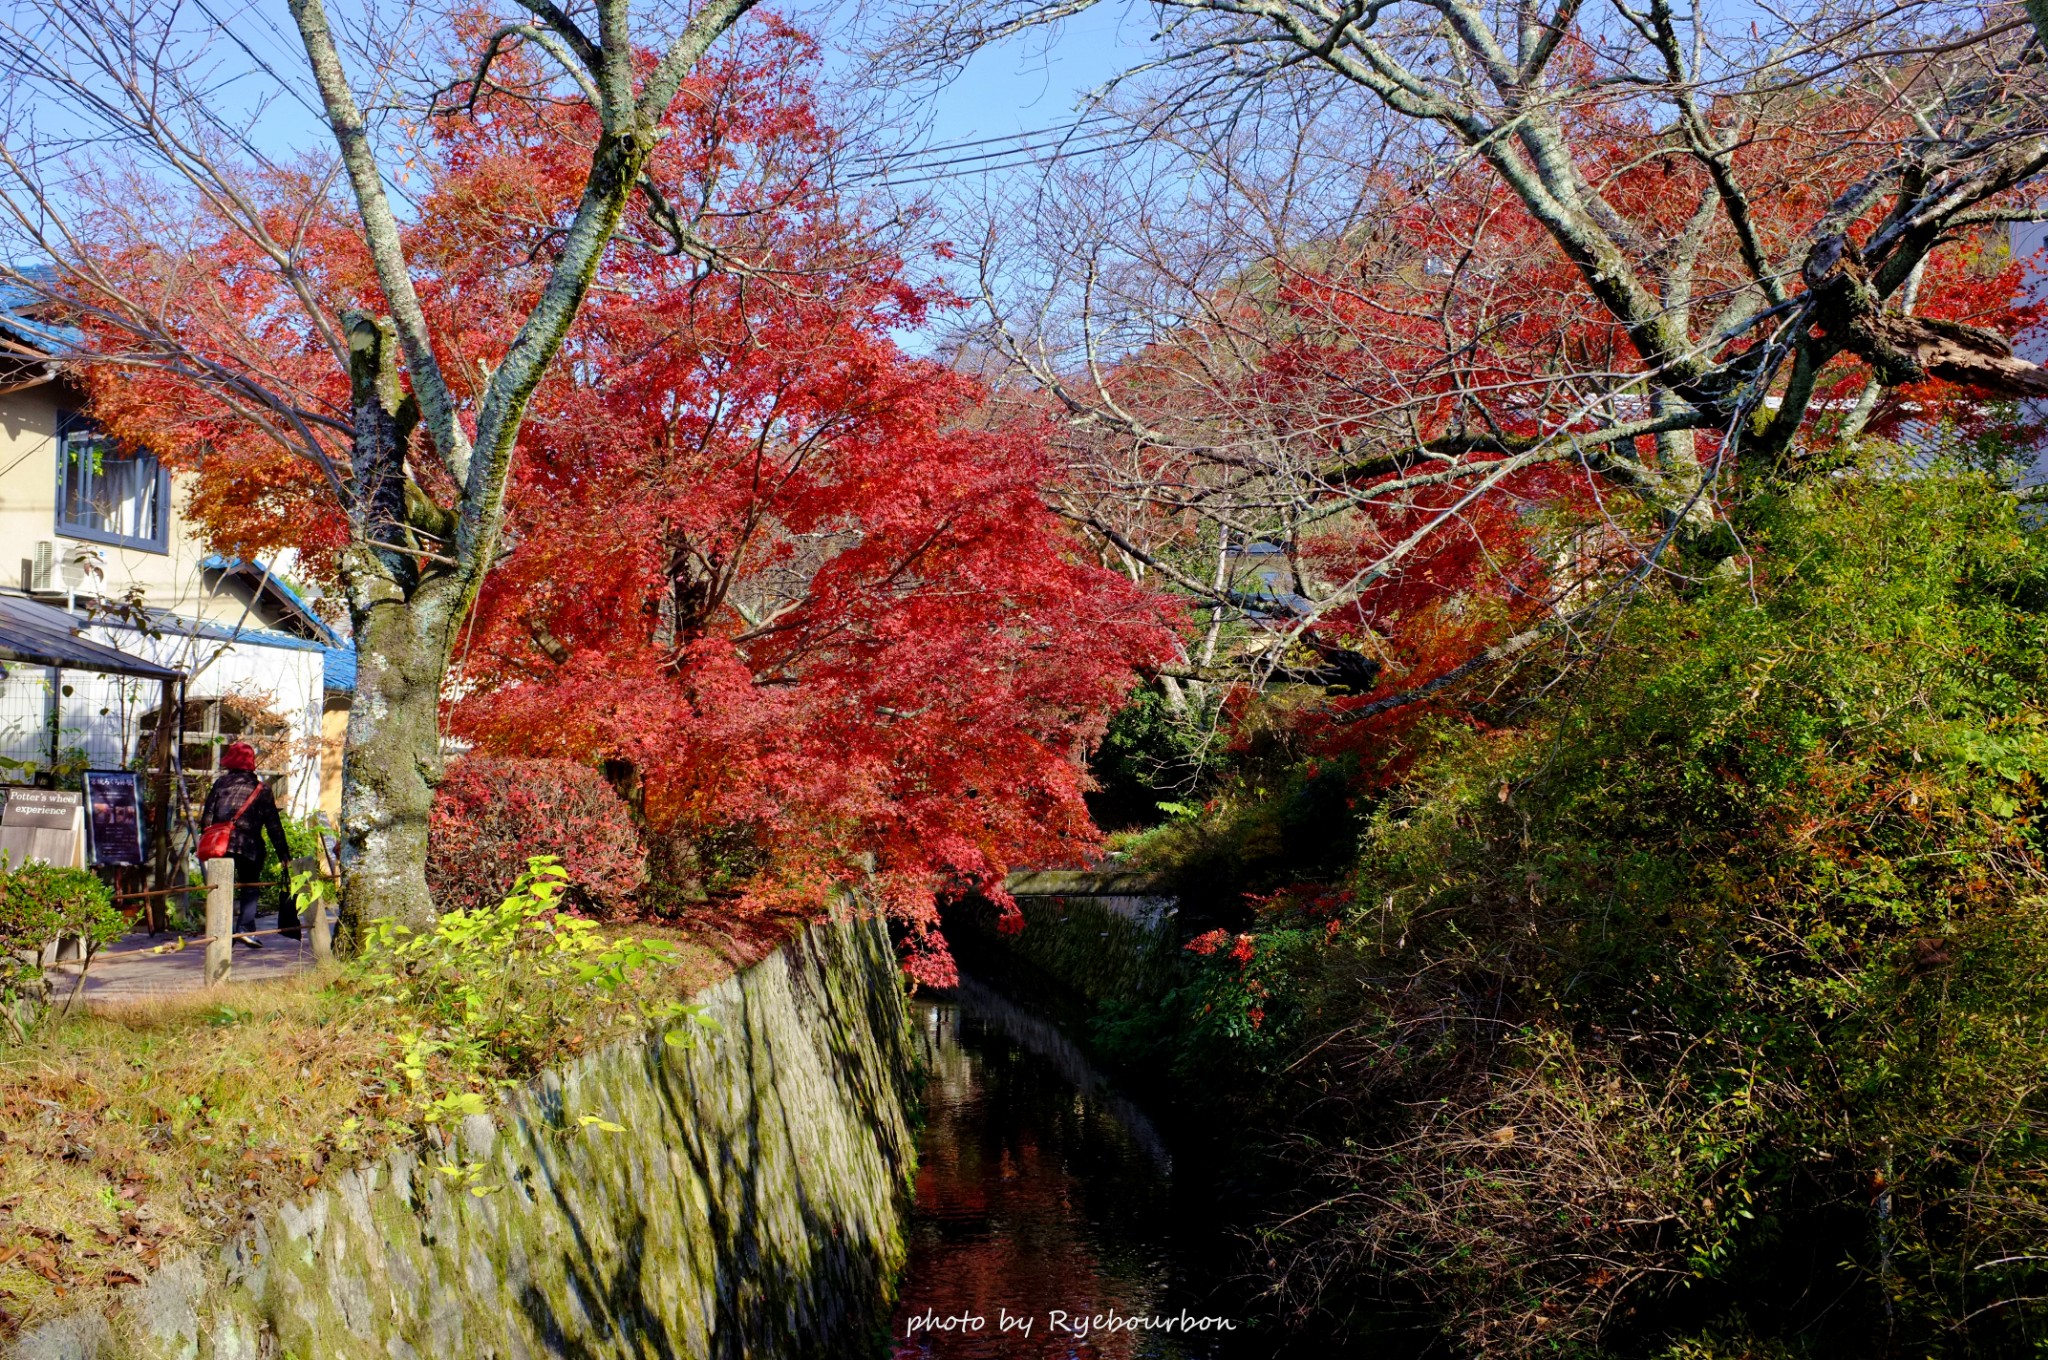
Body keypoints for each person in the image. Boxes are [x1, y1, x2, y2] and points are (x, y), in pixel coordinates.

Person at [199, 741, 294, 947]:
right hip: (249, 847)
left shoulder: (220, 784)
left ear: (229, 762)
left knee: (221, 888)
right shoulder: (261, 789)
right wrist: (284, 856)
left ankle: (220, 933)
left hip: (221, 847)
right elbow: (273, 826)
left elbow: (206, 820)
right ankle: (244, 929)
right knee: (250, 887)